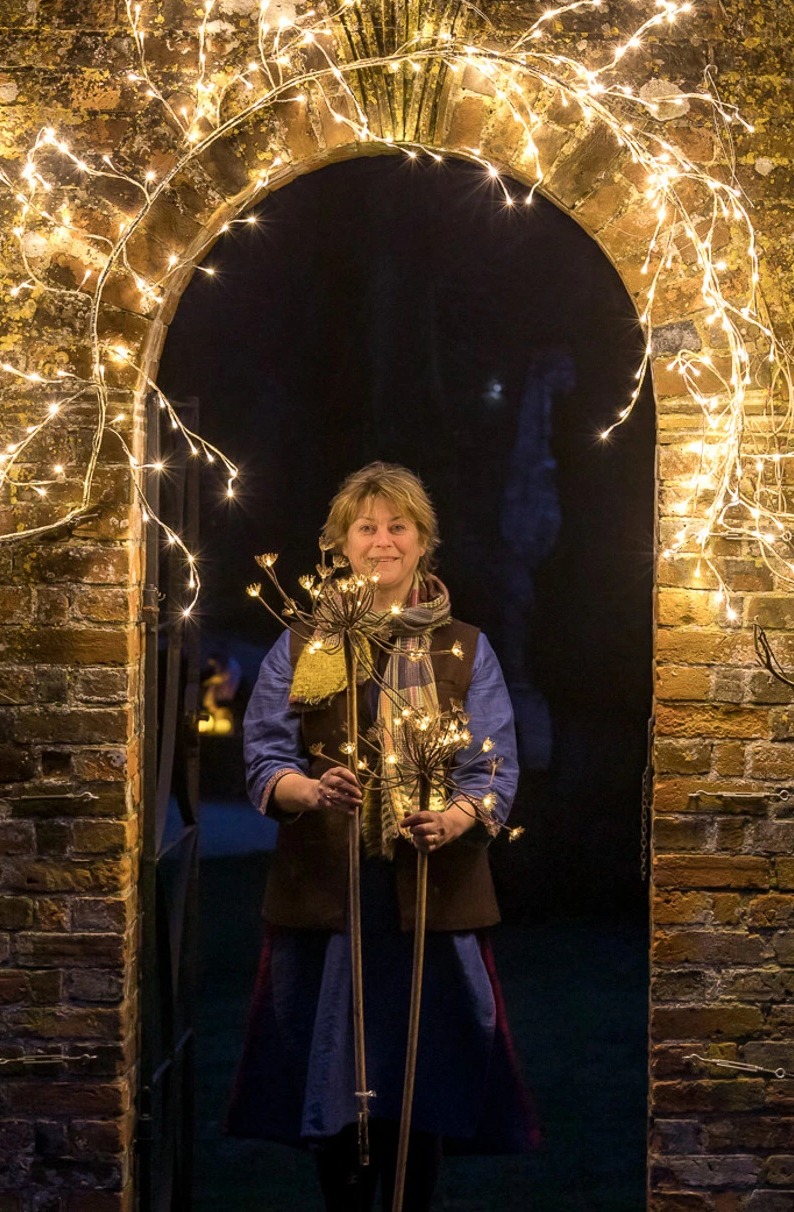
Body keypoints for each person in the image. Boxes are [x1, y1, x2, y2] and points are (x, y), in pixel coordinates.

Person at [228, 462, 538, 1212]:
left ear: (424, 541)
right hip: (329, 895)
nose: (382, 540)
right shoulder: (303, 643)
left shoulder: (464, 647)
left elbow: (491, 766)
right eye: (365, 527)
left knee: (423, 1066)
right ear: (339, 545)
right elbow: (265, 752)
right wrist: (311, 789)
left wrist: (457, 818)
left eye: (398, 525)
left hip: (428, 892)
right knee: (330, 1065)